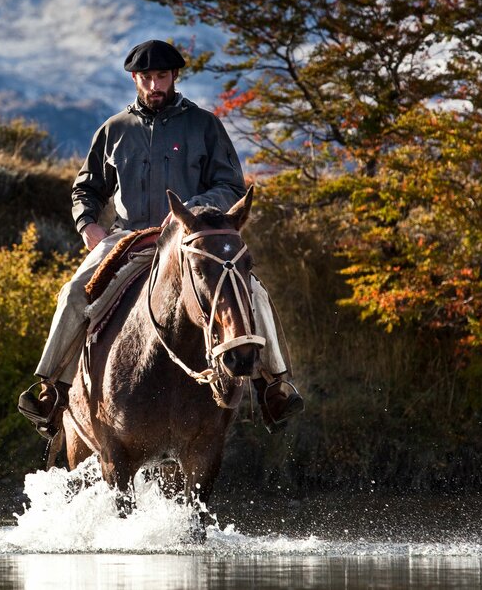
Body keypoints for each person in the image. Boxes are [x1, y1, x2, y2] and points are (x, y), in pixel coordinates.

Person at [18, 39, 304, 438]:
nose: (155, 85)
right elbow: (86, 188)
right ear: (135, 79)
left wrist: (191, 210)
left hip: (193, 242)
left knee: (253, 292)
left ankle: (273, 388)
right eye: (147, 78)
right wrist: (89, 226)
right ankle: (52, 391)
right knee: (73, 294)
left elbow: (230, 185)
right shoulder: (114, 130)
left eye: (162, 77)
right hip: (127, 241)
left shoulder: (204, 125)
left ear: (174, 77)